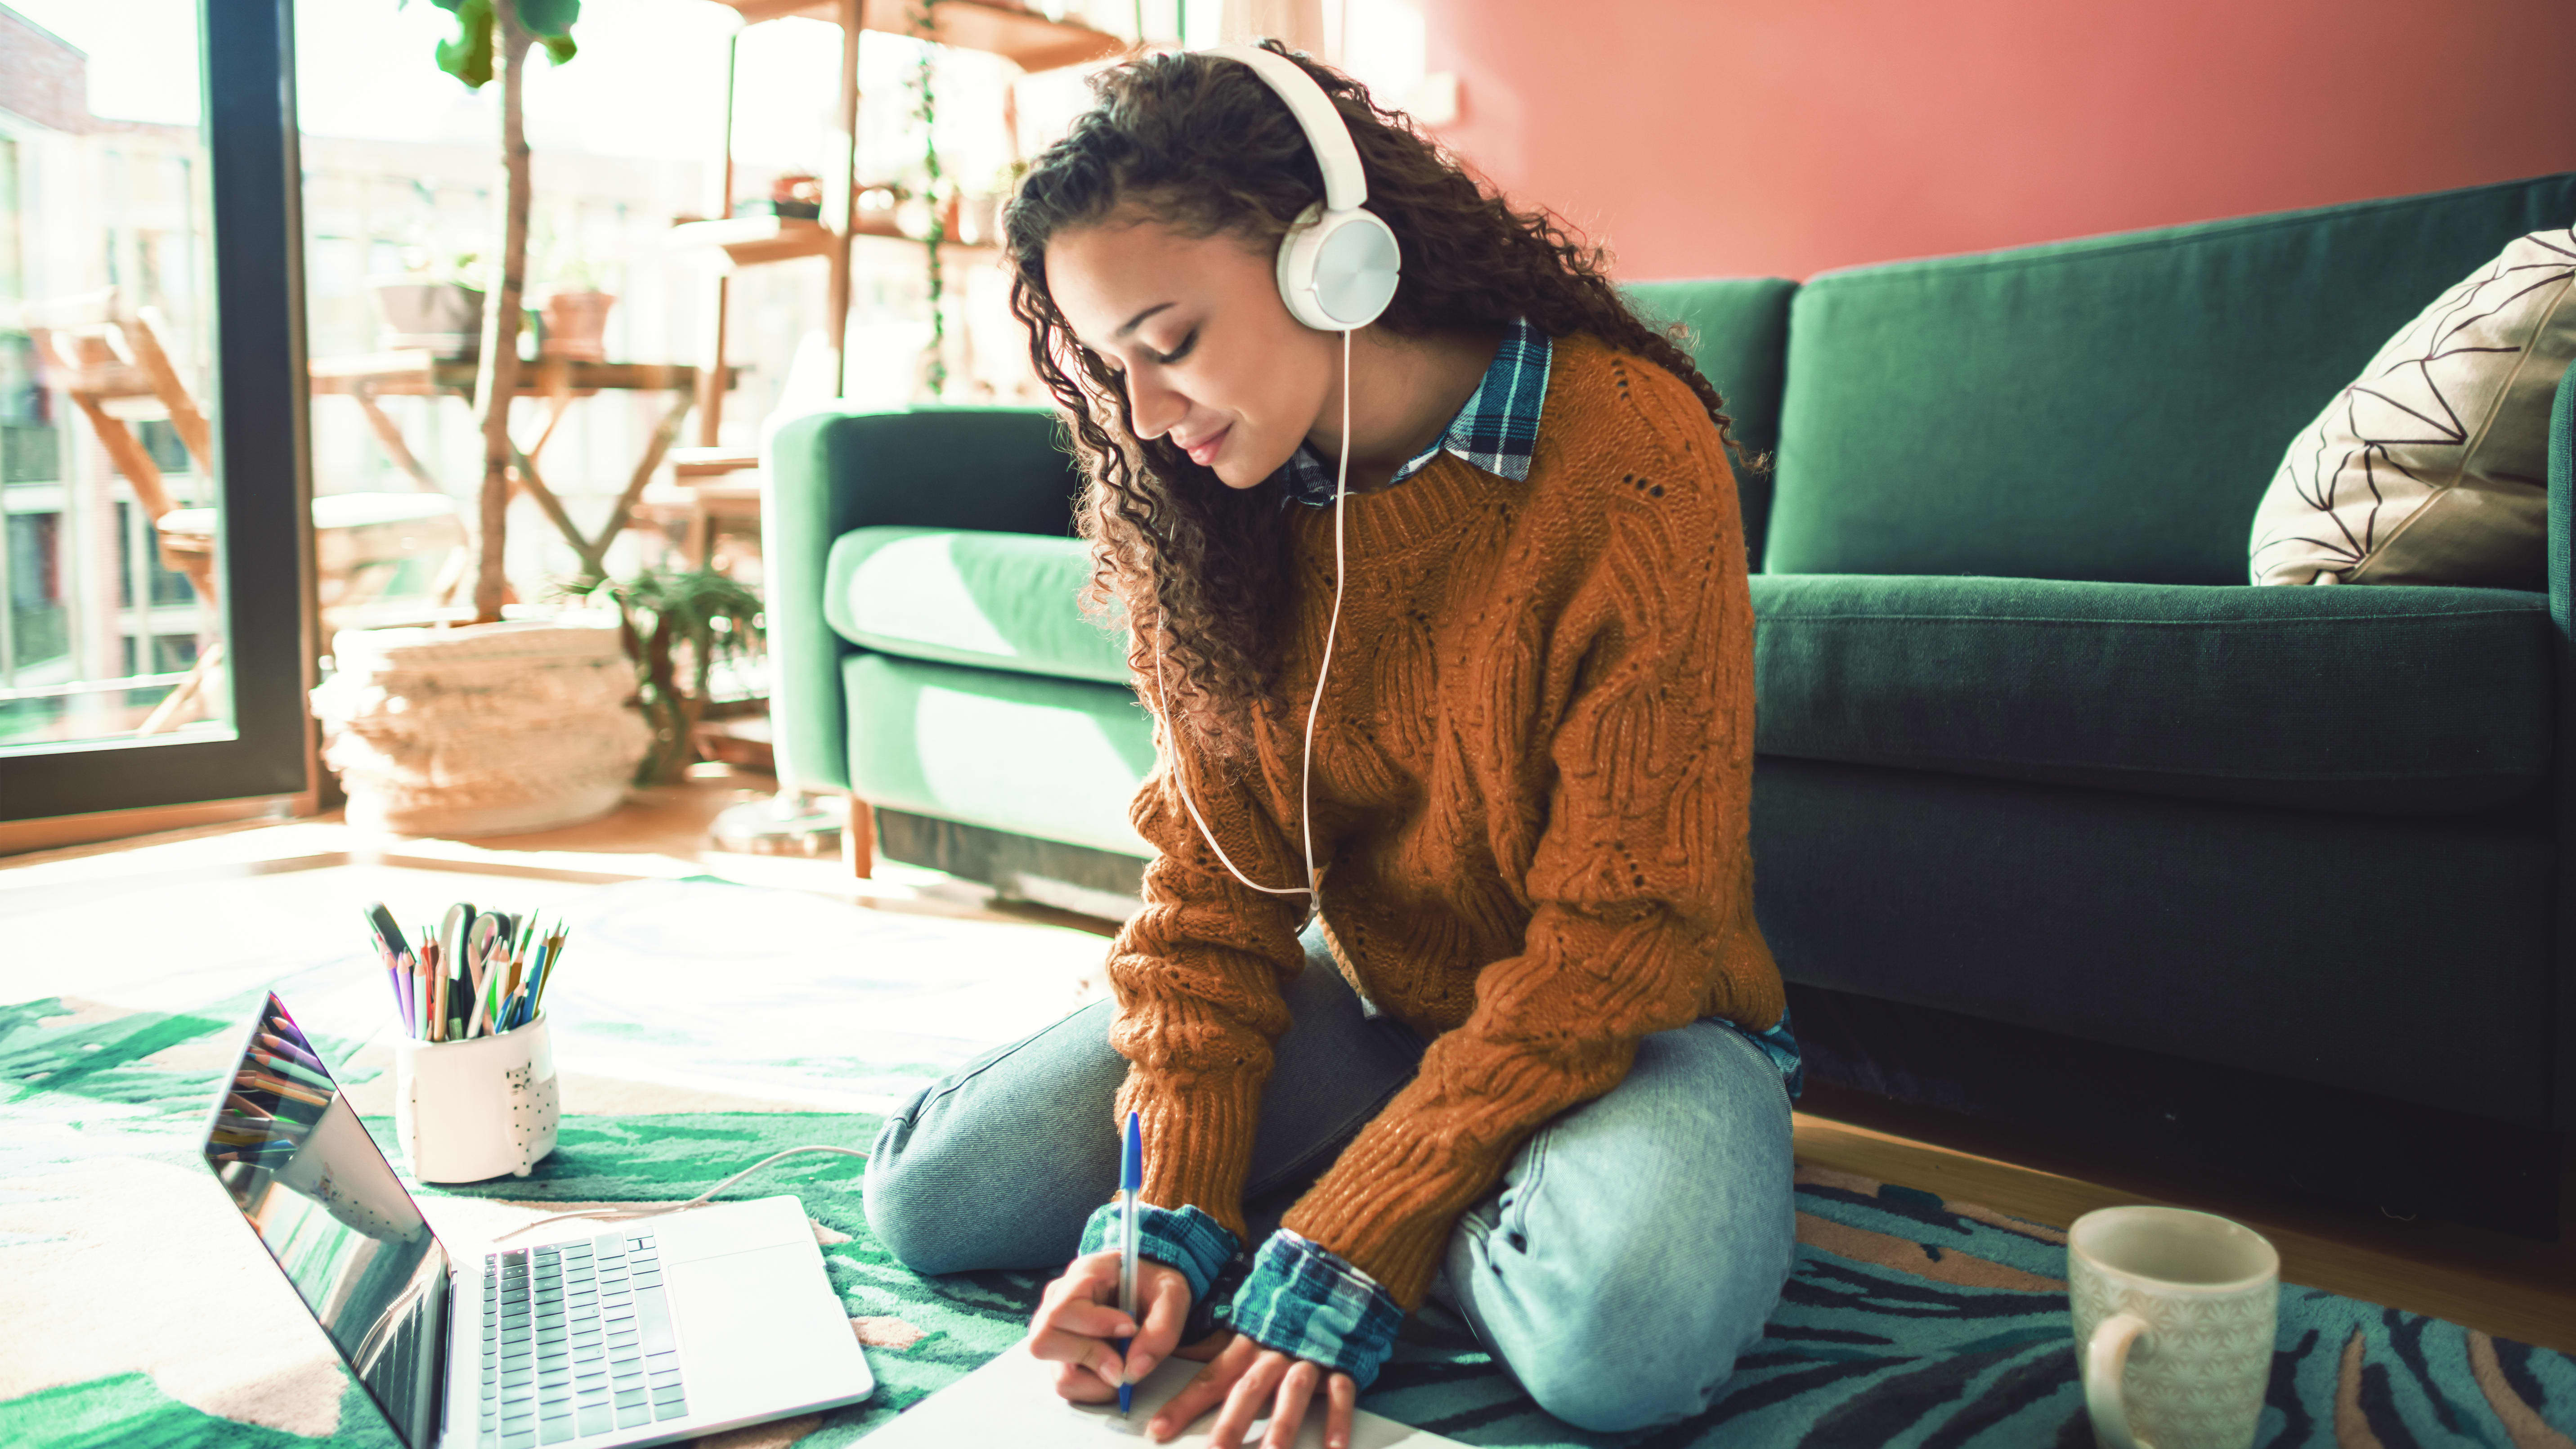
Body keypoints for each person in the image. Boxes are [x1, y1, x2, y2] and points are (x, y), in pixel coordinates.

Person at [862, 39, 1800, 1449]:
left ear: (1330, 259)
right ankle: (1420, 1184)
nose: (1147, 419)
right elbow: (1215, 888)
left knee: (1626, 1341)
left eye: (1169, 344)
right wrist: (1167, 1205)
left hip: (1639, 1024)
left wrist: (1372, 1226)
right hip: (1372, 1005)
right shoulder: (1209, 510)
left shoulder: (1630, 453)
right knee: (934, 1198)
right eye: (1111, 370)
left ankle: (1406, 1186)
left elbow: (1628, 930)